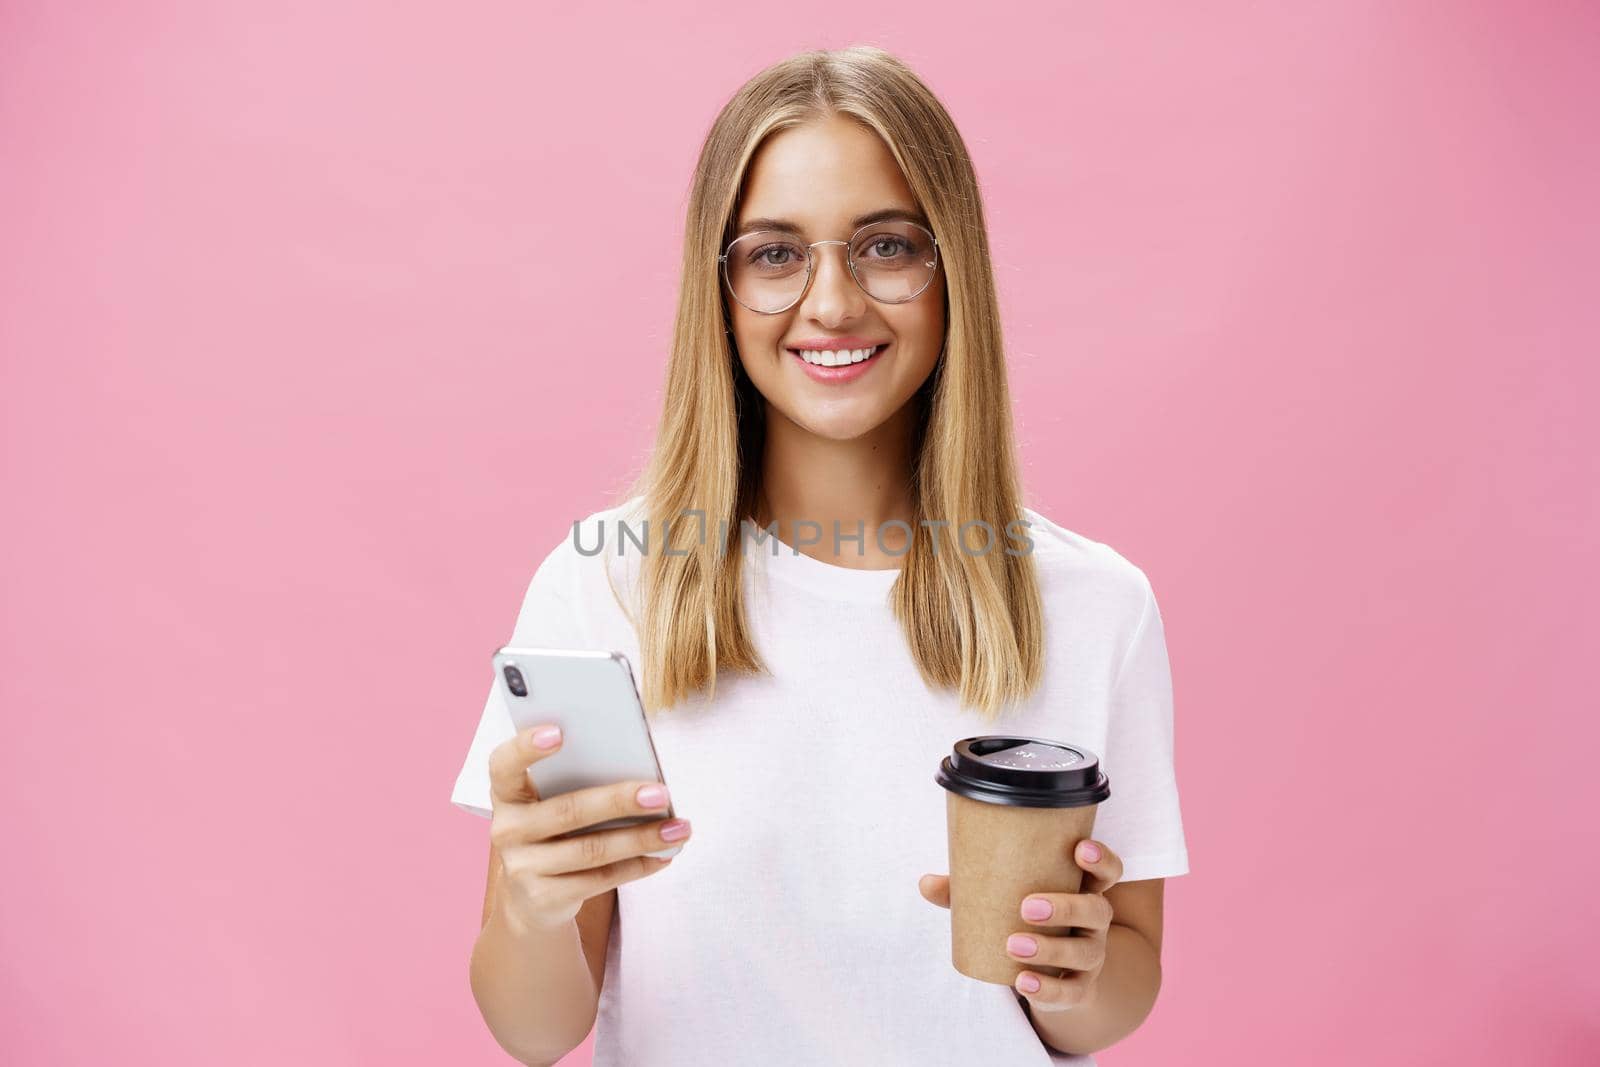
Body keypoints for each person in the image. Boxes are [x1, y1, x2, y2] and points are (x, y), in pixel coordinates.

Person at [450, 45, 1189, 1067]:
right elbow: (536, 1030)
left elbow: (1114, 997)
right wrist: (530, 908)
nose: (832, 302)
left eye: (885, 247)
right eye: (774, 254)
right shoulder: (605, 585)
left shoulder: (1092, 602)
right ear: (719, 286)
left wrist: (1075, 967)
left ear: (952, 266)